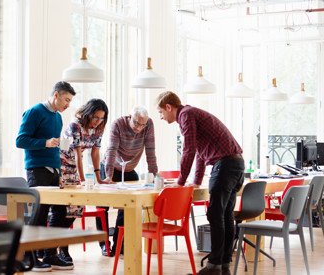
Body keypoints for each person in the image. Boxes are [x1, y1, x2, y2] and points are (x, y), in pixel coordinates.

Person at [156, 91, 244, 275]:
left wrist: (180, 182)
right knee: (225, 215)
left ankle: (214, 267)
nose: (161, 117)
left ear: (169, 107)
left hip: (225, 166)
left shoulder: (186, 115)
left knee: (215, 214)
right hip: (236, 163)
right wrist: (195, 180)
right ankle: (223, 265)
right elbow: (200, 152)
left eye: (161, 112)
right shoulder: (191, 113)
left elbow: (188, 150)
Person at [16, 81, 76, 271]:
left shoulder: (58, 118)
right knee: (39, 214)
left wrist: (59, 166)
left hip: (54, 171)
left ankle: (50, 254)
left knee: (59, 212)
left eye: (70, 101)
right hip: (37, 170)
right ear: (56, 95)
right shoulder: (34, 112)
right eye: (66, 100)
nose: (68, 105)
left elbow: (54, 145)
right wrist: (45, 142)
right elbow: (21, 140)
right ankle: (30, 257)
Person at [96, 106, 158, 256]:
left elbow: (150, 151)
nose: (139, 128)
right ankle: (104, 245)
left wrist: (154, 176)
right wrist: (108, 176)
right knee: (102, 207)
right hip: (110, 166)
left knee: (126, 207)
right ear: (130, 117)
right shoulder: (118, 124)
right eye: (136, 123)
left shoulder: (148, 124)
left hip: (129, 169)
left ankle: (119, 244)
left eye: (142, 125)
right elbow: (111, 150)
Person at [57, 98, 109, 262]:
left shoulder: (99, 128)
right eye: (96, 117)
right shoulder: (75, 125)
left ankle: (53, 244)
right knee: (66, 210)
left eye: (101, 118)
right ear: (88, 114)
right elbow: (78, 155)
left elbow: (95, 153)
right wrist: (81, 180)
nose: (98, 121)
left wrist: (99, 178)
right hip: (63, 166)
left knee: (76, 210)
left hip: (76, 167)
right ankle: (61, 250)